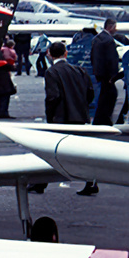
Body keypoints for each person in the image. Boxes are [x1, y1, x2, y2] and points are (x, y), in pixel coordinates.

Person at [43, 40, 98, 194]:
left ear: (49, 54)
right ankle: (91, 182)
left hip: (61, 117)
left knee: (51, 152)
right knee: (82, 152)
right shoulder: (80, 70)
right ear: (66, 53)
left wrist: (50, 116)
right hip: (80, 116)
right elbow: (90, 93)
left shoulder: (52, 72)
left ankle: (40, 183)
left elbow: (53, 96)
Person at [92, 18, 121, 127]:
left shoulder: (97, 39)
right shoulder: (109, 40)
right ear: (111, 27)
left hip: (99, 73)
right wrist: (114, 76)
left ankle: (100, 119)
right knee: (110, 95)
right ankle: (104, 119)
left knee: (103, 96)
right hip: (107, 74)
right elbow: (112, 59)